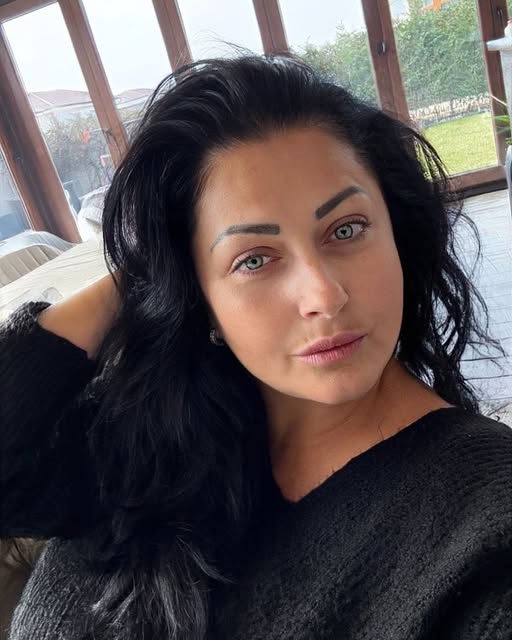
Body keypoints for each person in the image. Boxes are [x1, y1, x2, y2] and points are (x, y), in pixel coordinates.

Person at [1, 53, 511, 640]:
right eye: (254, 260)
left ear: (397, 231)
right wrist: (149, 270)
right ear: (198, 295)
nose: (324, 295)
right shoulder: (148, 433)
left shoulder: (484, 524)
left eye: (346, 229)